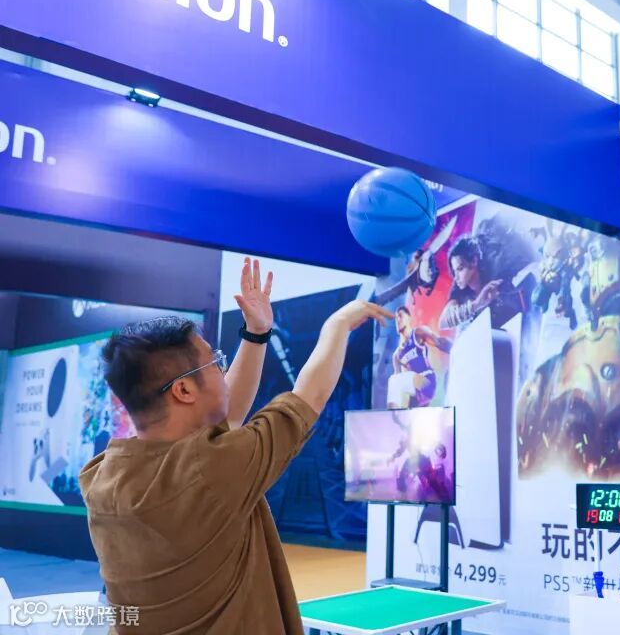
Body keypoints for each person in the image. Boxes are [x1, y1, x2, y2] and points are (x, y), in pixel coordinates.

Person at [78, 258, 392, 634]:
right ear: (183, 389)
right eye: (214, 362)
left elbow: (225, 421)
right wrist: (337, 325)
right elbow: (310, 396)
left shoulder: (102, 475)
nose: (222, 369)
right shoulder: (211, 469)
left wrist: (256, 335)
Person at [390, 305, 451, 408]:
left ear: (409, 318)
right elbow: (398, 385)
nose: (398, 320)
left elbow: (439, 342)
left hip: (427, 381)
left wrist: (457, 348)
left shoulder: (418, 333)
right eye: (396, 318)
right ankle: (396, 414)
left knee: (394, 380)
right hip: (416, 390)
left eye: (400, 316)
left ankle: (393, 413)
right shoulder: (397, 355)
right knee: (410, 414)